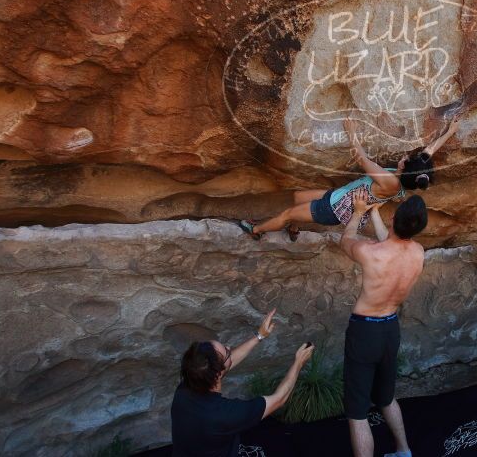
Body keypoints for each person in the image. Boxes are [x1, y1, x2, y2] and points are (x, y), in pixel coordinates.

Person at [238, 116, 458, 241]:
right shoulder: (405, 180)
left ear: (405, 167)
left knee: (286, 214)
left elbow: (362, 160)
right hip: (341, 197)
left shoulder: (390, 181)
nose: (406, 156)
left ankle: (256, 230)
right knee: (297, 197)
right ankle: (295, 227)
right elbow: (427, 154)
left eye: (407, 158)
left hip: (335, 209)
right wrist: (448, 133)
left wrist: (350, 131)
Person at [338, 188, 428, 457]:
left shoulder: (370, 252)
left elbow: (346, 240)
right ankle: (403, 451)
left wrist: (357, 213)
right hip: (390, 329)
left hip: (365, 331)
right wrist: (375, 211)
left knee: (357, 412)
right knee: (386, 398)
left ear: (393, 221)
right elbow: (392, 243)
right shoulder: (418, 252)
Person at [170, 308, 314, 457]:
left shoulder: (186, 386)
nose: (229, 348)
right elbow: (279, 399)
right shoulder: (225, 414)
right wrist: (298, 363)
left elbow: (226, 365)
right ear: (217, 374)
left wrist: (259, 335)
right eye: (226, 352)